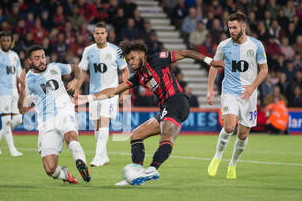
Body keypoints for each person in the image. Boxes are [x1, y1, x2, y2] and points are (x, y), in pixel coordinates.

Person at [78, 39, 224, 185]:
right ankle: (137, 174)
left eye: (133, 58)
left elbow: (185, 53)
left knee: (167, 132)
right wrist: (89, 97)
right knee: (136, 135)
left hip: (178, 101)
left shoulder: (157, 59)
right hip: (165, 108)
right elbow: (115, 90)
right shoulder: (138, 76)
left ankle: (153, 168)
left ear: (142, 54)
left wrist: (209, 61)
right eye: (128, 60)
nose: (131, 62)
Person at [207, 12, 268, 179]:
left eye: (234, 27)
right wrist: (210, 89)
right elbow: (213, 66)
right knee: (229, 127)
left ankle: (232, 164)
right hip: (230, 92)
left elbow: (264, 70)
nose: (231, 31)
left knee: (243, 134)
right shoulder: (224, 45)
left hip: (249, 94)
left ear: (243, 26)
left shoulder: (256, 45)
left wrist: (252, 87)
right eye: (229, 28)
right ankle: (217, 156)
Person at [18, 45, 91, 184]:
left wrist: (75, 80)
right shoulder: (28, 80)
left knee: (71, 137)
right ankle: (65, 175)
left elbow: (77, 69)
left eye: (43, 56)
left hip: (65, 110)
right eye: (37, 58)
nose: (42, 61)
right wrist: (22, 89)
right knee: (50, 169)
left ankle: (81, 163)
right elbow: (22, 109)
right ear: (29, 61)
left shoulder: (55, 67)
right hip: (46, 122)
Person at [78, 22, 129, 167]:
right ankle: (104, 156)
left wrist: (124, 91)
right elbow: (82, 72)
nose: (100, 36)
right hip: (94, 93)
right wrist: (77, 89)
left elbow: (125, 70)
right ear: (93, 35)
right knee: (97, 124)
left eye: (102, 33)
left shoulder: (116, 50)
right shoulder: (88, 51)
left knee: (104, 121)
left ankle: (97, 157)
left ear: (107, 34)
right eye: (97, 33)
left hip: (111, 93)